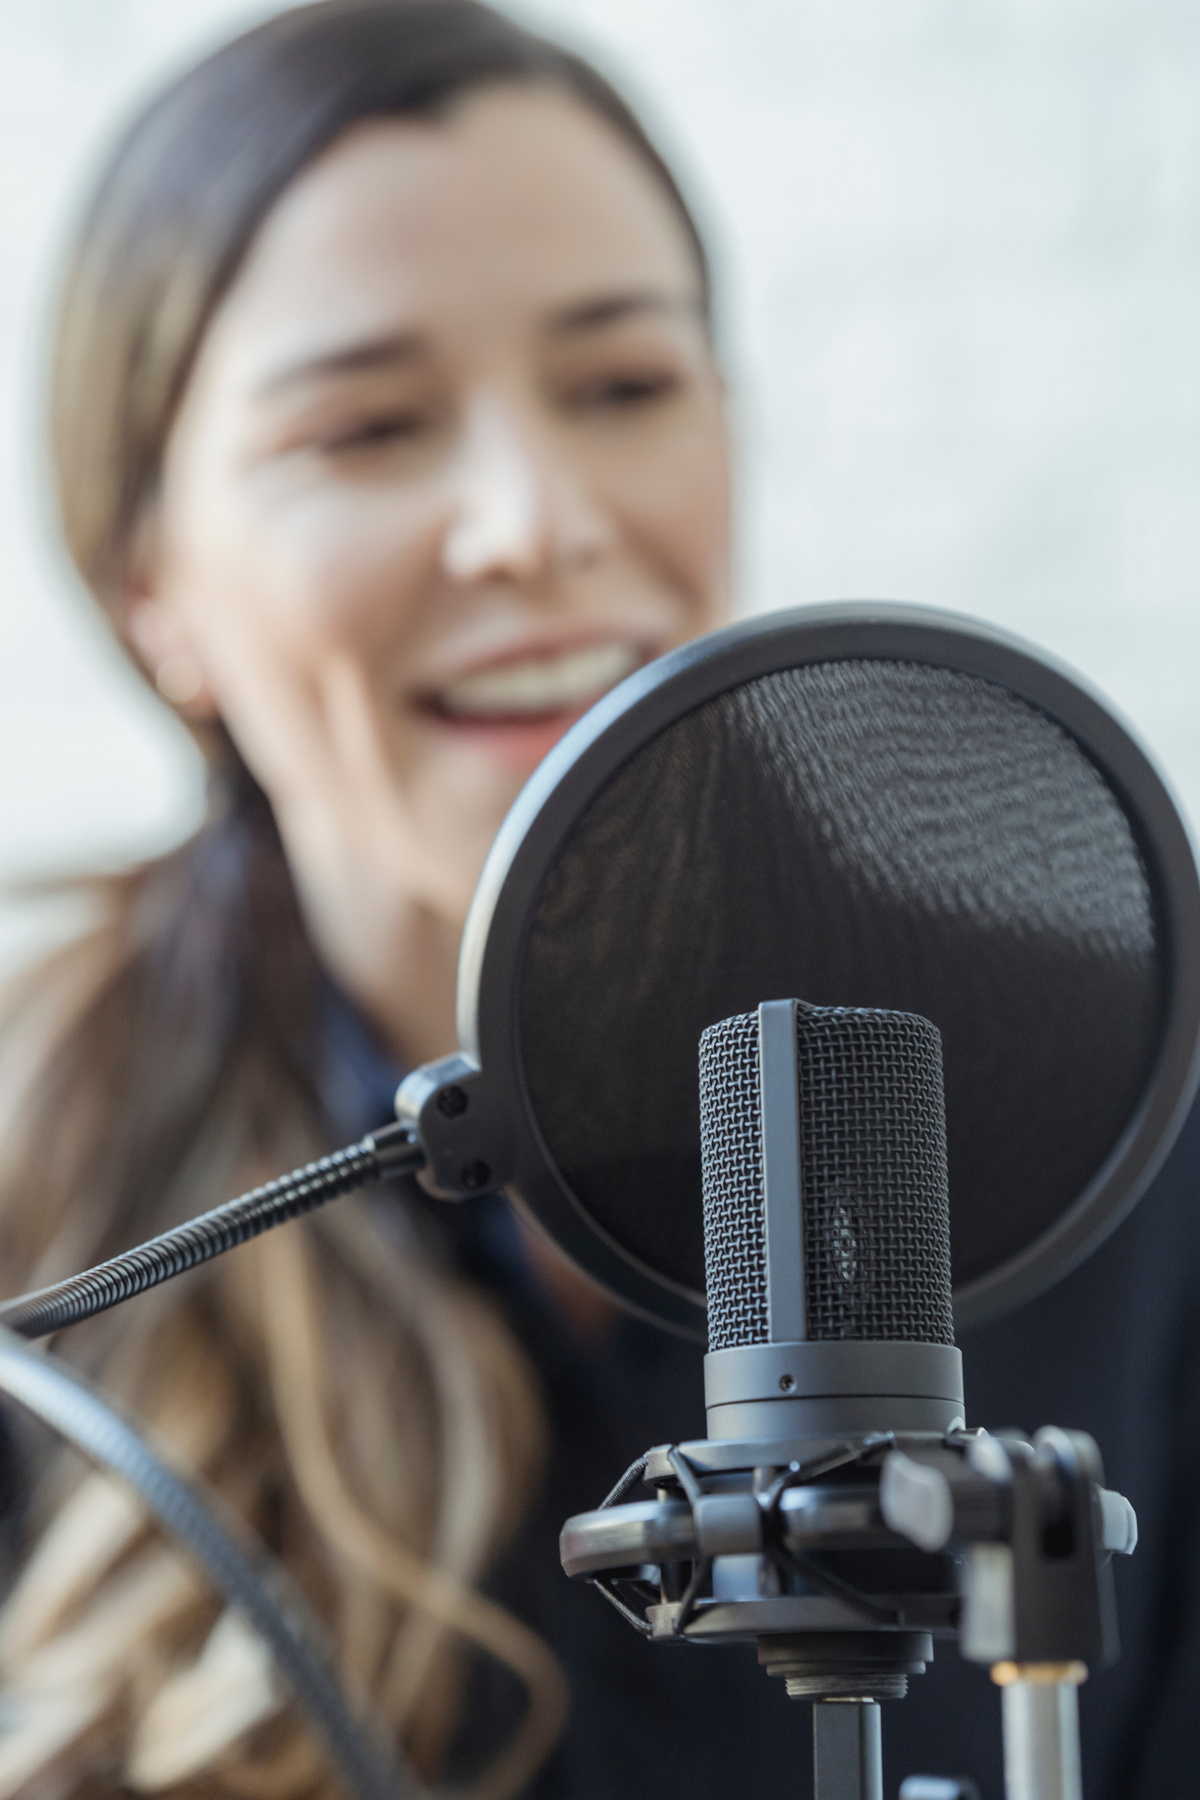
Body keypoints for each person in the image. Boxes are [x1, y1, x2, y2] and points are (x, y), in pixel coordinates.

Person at [1, 4, 1198, 1798]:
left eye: (623, 388)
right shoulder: (40, 1208)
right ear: (150, 585)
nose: (532, 520)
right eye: (370, 426)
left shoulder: (1118, 1108)